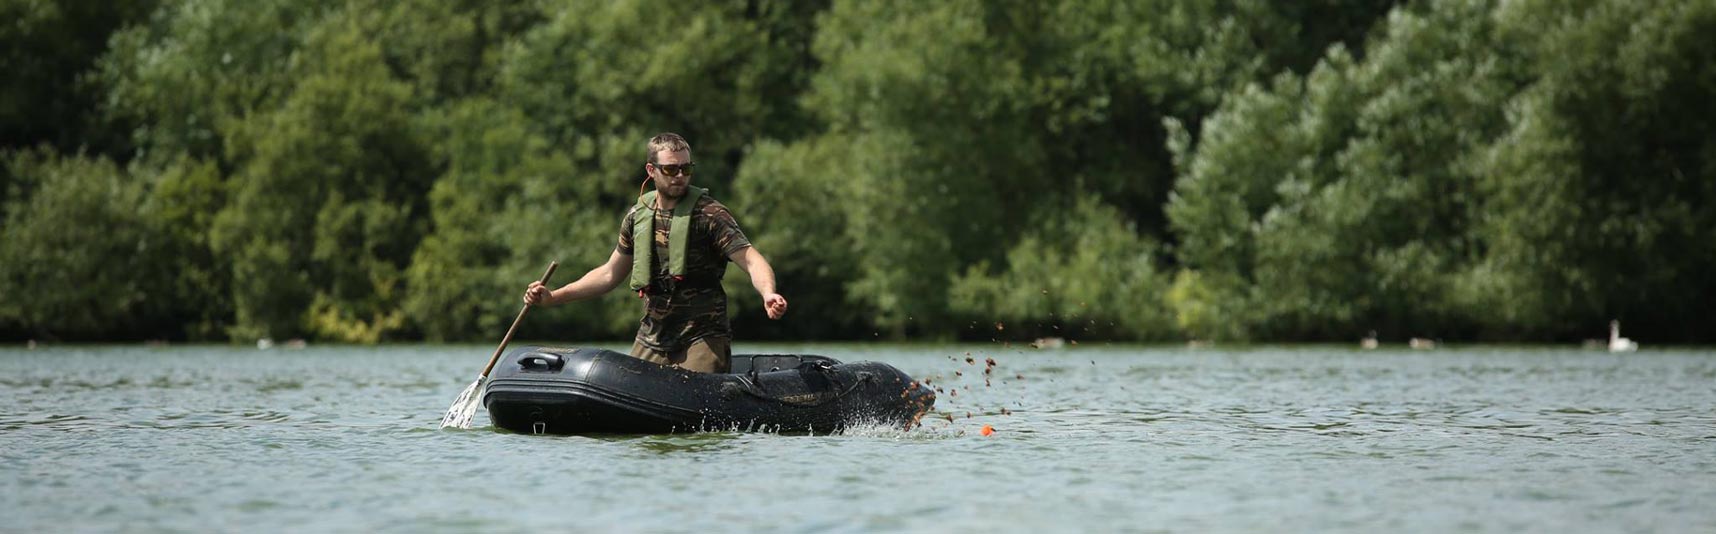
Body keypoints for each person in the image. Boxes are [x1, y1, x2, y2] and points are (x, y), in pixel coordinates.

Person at [522, 133, 788, 373]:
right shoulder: (637, 217)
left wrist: (768, 293)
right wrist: (554, 297)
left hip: (702, 336)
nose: (680, 176)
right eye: (671, 169)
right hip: (653, 336)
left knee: (694, 406)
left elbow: (752, 259)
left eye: (686, 168)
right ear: (651, 170)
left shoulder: (711, 215)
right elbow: (608, 274)